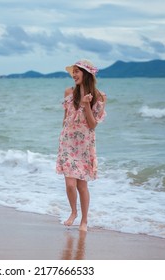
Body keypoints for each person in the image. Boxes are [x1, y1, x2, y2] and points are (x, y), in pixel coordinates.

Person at [56, 59, 107, 231]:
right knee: (70, 184)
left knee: (82, 185)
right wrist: (62, 137)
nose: (74, 74)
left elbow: (92, 125)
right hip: (68, 142)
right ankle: (73, 212)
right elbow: (65, 118)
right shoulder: (69, 93)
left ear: (86, 74)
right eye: (74, 71)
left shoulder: (99, 97)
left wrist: (86, 105)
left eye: (77, 71)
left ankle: (84, 221)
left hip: (85, 144)